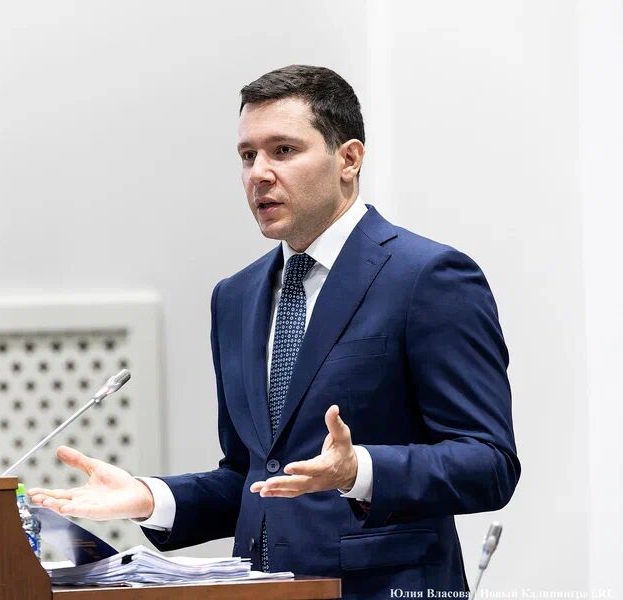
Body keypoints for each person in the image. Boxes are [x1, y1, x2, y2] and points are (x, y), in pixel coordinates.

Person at [28, 65, 521, 598]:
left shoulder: (428, 277)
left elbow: (488, 463)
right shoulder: (235, 296)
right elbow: (253, 476)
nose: (258, 174)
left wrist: (358, 470)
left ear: (349, 159)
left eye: (283, 150)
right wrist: (150, 498)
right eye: (247, 155)